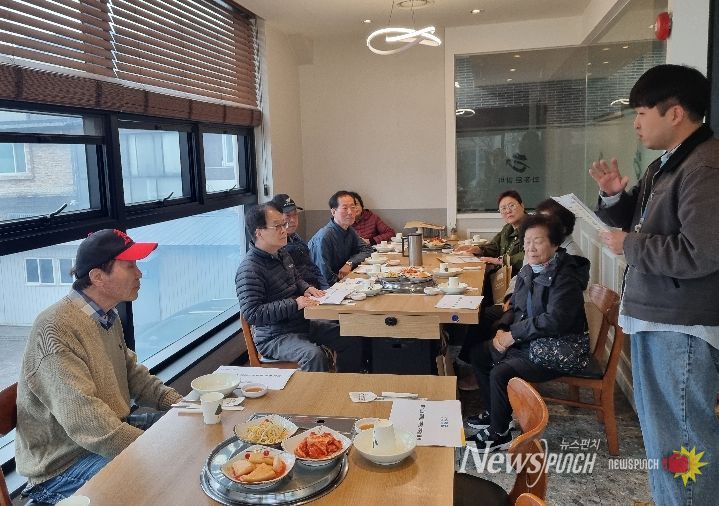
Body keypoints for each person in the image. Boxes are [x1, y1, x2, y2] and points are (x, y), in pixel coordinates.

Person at [589, 64, 719, 505]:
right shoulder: (668, 165)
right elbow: (641, 224)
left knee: (682, 438)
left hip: (680, 326)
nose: (636, 123)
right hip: (656, 317)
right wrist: (613, 197)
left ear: (675, 113)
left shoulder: (704, 167)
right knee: (664, 435)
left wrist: (629, 245)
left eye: (642, 112)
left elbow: (702, 253)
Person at [15, 229, 183, 504]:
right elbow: (88, 422)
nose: (139, 273)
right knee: (164, 475)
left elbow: (133, 375)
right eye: (129, 266)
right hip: (63, 467)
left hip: (106, 434)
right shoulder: (54, 329)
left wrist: (183, 405)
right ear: (97, 277)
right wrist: (152, 451)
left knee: (186, 429)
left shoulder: (106, 316)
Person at [466, 214, 590, 452]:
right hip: (534, 338)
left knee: (501, 370)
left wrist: (512, 336)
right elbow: (516, 306)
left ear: (555, 244)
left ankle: (500, 433)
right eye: (527, 241)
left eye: (538, 241)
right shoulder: (530, 269)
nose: (530, 247)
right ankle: (497, 415)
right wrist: (502, 329)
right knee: (480, 354)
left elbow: (555, 321)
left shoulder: (566, 276)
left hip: (562, 347)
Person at [236, 203, 362, 372]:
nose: (284, 229)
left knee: (350, 336)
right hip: (274, 336)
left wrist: (306, 288)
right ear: (259, 232)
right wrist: (295, 303)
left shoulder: (282, 253)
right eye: (278, 226)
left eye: (284, 224)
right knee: (313, 355)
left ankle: (345, 383)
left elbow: (297, 278)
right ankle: (317, 390)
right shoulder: (249, 269)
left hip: (301, 324)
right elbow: (253, 314)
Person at [454, 189, 527, 276]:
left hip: (520, 278)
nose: (508, 211)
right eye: (503, 208)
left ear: (522, 206)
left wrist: (501, 261)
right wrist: (477, 249)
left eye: (511, 206)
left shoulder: (534, 228)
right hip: (502, 275)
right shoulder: (507, 228)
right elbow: (494, 246)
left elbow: (531, 255)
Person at [308, 191, 373, 285]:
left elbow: (367, 249)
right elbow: (323, 277)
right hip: (325, 287)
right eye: (345, 208)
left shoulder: (349, 230)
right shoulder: (324, 236)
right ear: (333, 212)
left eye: (353, 207)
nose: (350, 212)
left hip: (343, 281)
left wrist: (349, 263)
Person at [270, 193, 328, 289]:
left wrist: (326, 289)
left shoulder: (295, 237)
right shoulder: (275, 247)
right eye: (288, 215)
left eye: (295, 215)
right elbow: (291, 281)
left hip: (315, 289)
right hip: (302, 293)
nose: (293, 220)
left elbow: (313, 267)